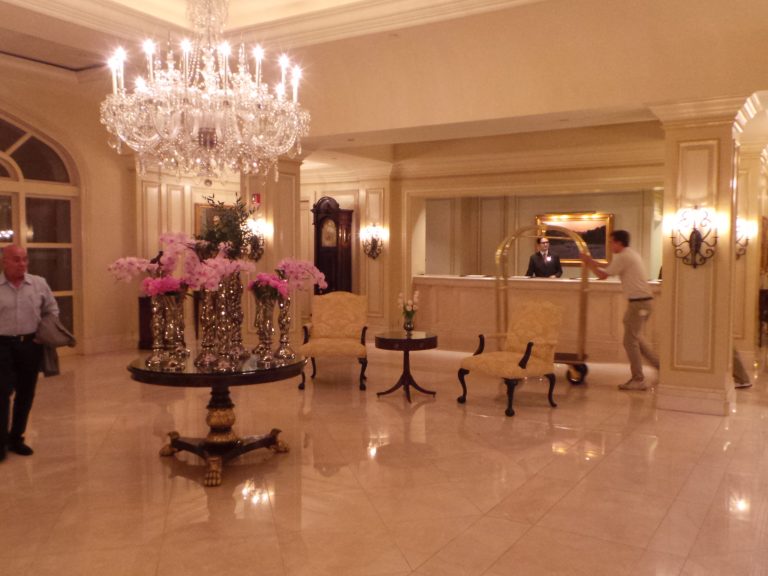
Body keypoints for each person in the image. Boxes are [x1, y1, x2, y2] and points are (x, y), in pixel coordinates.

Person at [0, 244, 59, 460]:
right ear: (4, 261)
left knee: (26, 393)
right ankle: (0, 441)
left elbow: (52, 310)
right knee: (2, 393)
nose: (22, 264)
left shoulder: (38, 284)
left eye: (25, 259)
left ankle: (16, 438)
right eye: (16, 259)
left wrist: (41, 334)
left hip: (30, 345)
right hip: (2, 346)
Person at [581, 230, 659, 390]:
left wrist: (588, 263)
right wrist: (592, 261)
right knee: (636, 339)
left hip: (639, 304)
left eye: (611, 242)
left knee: (630, 341)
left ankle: (638, 379)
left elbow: (603, 275)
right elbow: (609, 267)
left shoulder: (624, 256)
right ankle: (660, 368)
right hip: (640, 304)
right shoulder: (629, 254)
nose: (609, 245)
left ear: (618, 243)